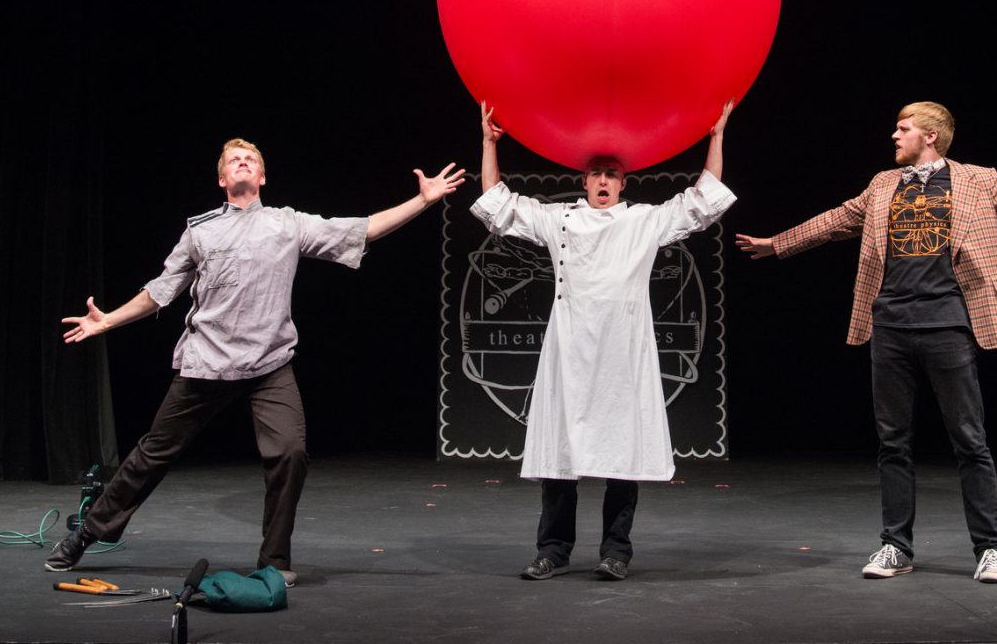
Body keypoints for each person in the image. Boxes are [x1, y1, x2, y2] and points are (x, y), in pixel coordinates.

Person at [734, 101, 997, 585]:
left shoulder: (978, 180)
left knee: (970, 440)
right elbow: (835, 220)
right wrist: (779, 243)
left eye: (903, 128)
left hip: (949, 325)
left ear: (930, 136)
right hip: (889, 323)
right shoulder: (881, 185)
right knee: (893, 442)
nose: (894, 135)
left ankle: (990, 549)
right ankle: (896, 545)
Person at [44, 137, 466, 584]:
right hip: (207, 363)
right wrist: (107, 321)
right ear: (223, 179)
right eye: (234, 161)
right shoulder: (200, 231)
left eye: (251, 160)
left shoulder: (287, 225)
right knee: (153, 453)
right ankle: (87, 534)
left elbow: (361, 229)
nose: (243, 164)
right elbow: (160, 291)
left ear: (262, 177)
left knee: (290, 452)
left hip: (268, 364)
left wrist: (421, 201)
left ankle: (274, 562)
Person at [472, 99, 735, 581]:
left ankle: (616, 551)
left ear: (623, 183)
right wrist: (489, 144)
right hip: (568, 351)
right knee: (559, 456)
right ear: (584, 181)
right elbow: (498, 205)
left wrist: (716, 136)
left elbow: (703, 199)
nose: (602, 182)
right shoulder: (560, 219)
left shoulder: (643, 221)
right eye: (596, 174)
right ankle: (553, 550)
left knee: (623, 454)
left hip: (623, 352)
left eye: (611, 174)